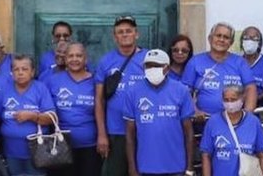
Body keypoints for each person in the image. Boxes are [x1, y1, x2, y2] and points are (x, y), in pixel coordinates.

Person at [124, 49, 194, 176]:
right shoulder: (132, 92)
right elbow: (130, 135)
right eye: (148, 66)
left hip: (176, 167)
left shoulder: (181, 90)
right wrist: (132, 168)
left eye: (156, 66)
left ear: (166, 68)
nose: (151, 69)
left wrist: (189, 168)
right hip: (145, 168)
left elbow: (188, 132)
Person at [95, 15, 147, 176]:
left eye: (129, 31)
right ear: (115, 36)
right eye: (120, 32)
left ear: (136, 34)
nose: (125, 34)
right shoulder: (106, 61)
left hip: (144, 129)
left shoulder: (148, 58)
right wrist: (102, 134)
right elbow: (99, 99)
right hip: (116, 132)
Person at [0, 55, 54, 175]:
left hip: (37, 152)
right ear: (11, 72)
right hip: (10, 151)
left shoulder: (40, 88)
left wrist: (32, 116)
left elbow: (51, 118)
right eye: (16, 69)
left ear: (32, 72)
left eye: (24, 69)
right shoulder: (5, 89)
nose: (20, 73)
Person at [44, 42, 100, 175]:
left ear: (86, 59)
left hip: (89, 145)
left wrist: (102, 136)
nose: (75, 59)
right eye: (71, 56)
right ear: (65, 59)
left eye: (79, 56)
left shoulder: (96, 82)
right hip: (59, 146)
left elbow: (101, 110)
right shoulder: (52, 81)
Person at [182, 22, 257, 121]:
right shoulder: (195, 62)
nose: (221, 40)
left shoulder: (240, 63)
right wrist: (194, 110)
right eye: (218, 36)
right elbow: (184, 91)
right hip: (203, 121)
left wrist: (247, 116)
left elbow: (250, 88)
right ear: (210, 38)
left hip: (234, 121)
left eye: (226, 37)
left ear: (231, 42)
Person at [200, 84, 263, 176]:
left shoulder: (253, 122)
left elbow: (262, 155)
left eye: (233, 99)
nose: (230, 103)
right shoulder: (213, 122)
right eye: (226, 100)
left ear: (242, 99)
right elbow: (206, 155)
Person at [240, 26, 263, 106]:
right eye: (246, 38)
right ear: (241, 42)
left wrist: (255, 99)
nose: (249, 41)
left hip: (262, 107)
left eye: (254, 38)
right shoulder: (237, 62)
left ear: (259, 43)